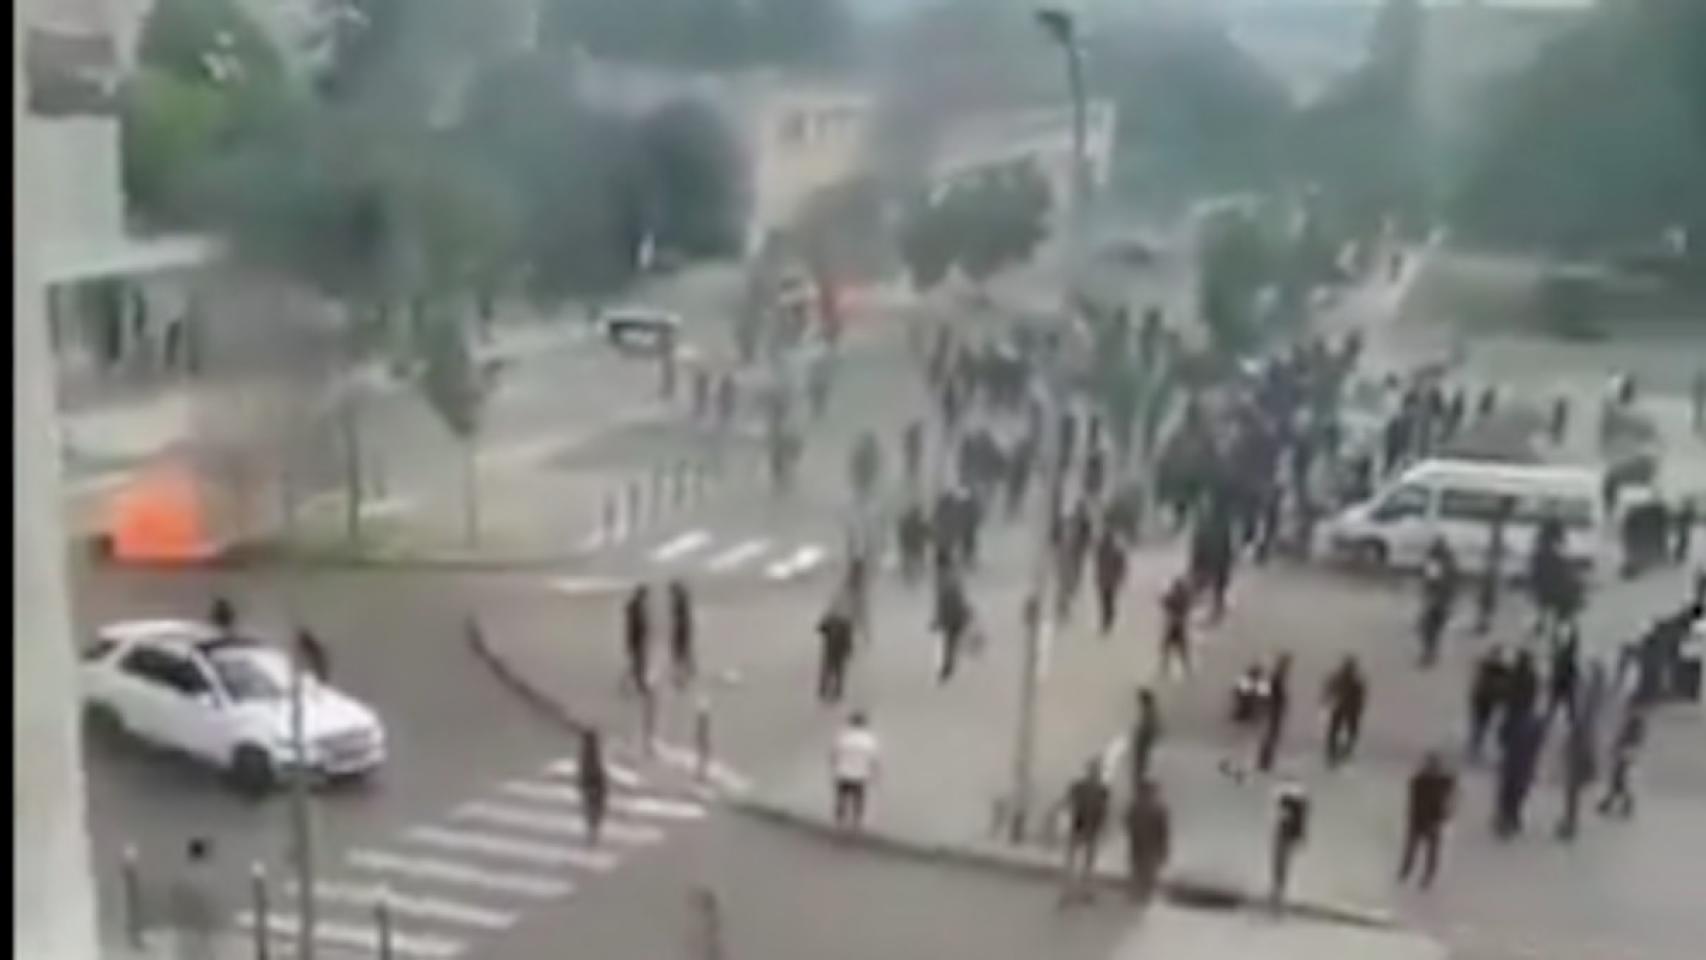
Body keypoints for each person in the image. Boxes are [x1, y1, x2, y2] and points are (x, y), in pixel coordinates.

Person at [1398, 753, 1456, 889]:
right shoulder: (1421, 782)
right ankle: (1408, 870)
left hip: (1430, 821)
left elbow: (1448, 801)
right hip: (1421, 819)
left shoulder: (1429, 782)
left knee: (1427, 850)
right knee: (1415, 848)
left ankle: (1423, 874)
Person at [1060, 759, 1111, 904]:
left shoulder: (1100, 789)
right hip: (1082, 825)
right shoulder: (1086, 788)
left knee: (1084, 861)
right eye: (1095, 770)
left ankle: (1078, 891)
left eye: (1098, 771)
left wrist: (1103, 826)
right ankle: (1074, 891)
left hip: (1087, 826)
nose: (1097, 773)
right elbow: (1068, 803)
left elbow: (1104, 810)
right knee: (1077, 861)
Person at [166, 837, 225, 960]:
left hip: (186, 927)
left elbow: (175, 899)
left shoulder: (182, 874)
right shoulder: (206, 876)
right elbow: (210, 903)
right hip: (198, 928)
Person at [1494, 711, 1542, 838]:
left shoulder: (1512, 718)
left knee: (1508, 791)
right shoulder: (1536, 722)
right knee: (1519, 791)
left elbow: (1502, 738)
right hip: (1526, 763)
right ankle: (1514, 817)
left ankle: (1506, 819)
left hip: (1512, 761)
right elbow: (1538, 745)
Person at [1123, 779, 1172, 904]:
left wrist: (1164, 848)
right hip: (1144, 844)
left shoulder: (1140, 807)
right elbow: (1164, 831)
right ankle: (1142, 895)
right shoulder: (1157, 809)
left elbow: (1163, 830)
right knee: (1143, 869)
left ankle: (1140, 894)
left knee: (1142, 869)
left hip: (1145, 844)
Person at [830, 712, 881, 831]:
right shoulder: (869, 740)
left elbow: (834, 755)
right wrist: (875, 774)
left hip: (843, 772)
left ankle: (839, 824)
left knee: (841, 798)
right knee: (858, 800)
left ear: (851, 723)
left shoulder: (843, 737)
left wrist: (834, 768)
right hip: (860, 774)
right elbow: (874, 760)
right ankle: (856, 825)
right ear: (864, 724)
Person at [1475, 499, 1515, 634]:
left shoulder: (1497, 523)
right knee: (1489, 595)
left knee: (1488, 595)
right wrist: (1503, 550)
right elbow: (1496, 543)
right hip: (1493, 563)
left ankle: (1483, 622)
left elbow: (1496, 542)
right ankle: (1483, 623)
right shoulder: (1498, 524)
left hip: (1492, 562)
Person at [1598, 705, 1645, 819]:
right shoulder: (1630, 717)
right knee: (1618, 777)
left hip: (1626, 751)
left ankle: (1615, 802)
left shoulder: (1633, 719)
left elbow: (1629, 736)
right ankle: (1610, 801)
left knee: (1618, 777)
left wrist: (1619, 746)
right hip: (1625, 750)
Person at [1418, 538, 1459, 667]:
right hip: (1443, 600)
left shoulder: (1435, 562)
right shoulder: (1450, 561)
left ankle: (1430, 653)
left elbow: (1432, 582)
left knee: (1429, 627)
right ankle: (1431, 652)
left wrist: (1431, 598)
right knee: (1432, 628)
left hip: (1438, 600)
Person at [1321, 655, 1367, 767]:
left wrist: (1326, 700)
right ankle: (1335, 754)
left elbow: (1360, 697)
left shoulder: (1352, 681)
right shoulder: (1349, 680)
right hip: (1343, 709)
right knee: (1338, 733)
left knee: (1342, 733)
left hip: (1345, 709)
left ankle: (1337, 753)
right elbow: (1328, 690)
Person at [1270, 780, 1309, 913]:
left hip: (1286, 832)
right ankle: (1279, 893)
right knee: (1281, 863)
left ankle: (1279, 893)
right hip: (1286, 832)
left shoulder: (1293, 806)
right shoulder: (1296, 804)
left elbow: (1297, 822)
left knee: (1281, 863)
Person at [1467, 646, 1509, 762]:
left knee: (1479, 725)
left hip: (1484, 700)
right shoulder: (1499, 670)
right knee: (1480, 725)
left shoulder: (1492, 668)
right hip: (1485, 700)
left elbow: (1479, 684)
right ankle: (1474, 748)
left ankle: (1474, 748)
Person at [932, 573, 971, 684]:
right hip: (953, 621)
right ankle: (947, 667)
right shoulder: (953, 587)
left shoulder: (944, 588)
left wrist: (938, 620)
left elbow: (943, 606)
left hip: (951, 621)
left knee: (948, 645)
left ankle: (946, 667)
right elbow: (959, 603)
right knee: (950, 645)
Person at [1257, 653, 1292, 773]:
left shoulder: (1277, 677)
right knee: (1271, 735)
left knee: (1271, 735)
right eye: (1286, 664)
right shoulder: (1276, 677)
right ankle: (1264, 762)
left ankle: (1265, 761)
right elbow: (1270, 694)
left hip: (1274, 710)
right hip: (1273, 710)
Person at [817, 602, 855, 704]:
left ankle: (829, 690)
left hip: (834, 650)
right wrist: (849, 650)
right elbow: (821, 629)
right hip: (833, 650)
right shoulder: (840, 623)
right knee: (833, 670)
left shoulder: (843, 624)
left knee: (833, 670)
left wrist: (849, 649)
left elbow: (820, 629)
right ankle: (830, 690)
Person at [1093, 529, 1129, 636]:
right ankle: (1107, 620)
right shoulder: (1103, 550)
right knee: (1106, 602)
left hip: (1108, 581)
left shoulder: (1110, 550)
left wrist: (1121, 577)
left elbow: (1121, 565)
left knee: (1107, 602)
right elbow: (1099, 565)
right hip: (1107, 581)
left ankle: (1107, 621)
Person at [1158, 576, 1194, 679]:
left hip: (1175, 625)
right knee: (1177, 647)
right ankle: (1184, 667)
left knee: (1172, 647)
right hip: (1177, 624)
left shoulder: (1178, 597)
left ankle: (1166, 666)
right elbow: (1164, 603)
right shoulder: (1182, 597)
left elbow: (1165, 603)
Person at [577, 728, 609, 845]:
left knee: (592, 804)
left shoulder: (587, 755)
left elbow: (586, 769)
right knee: (593, 804)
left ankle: (593, 828)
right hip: (593, 780)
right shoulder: (590, 755)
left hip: (592, 780)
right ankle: (593, 828)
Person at [1129, 687, 1163, 790]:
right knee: (1142, 760)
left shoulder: (1149, 711)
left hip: (1145, 737)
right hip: (1146, 737)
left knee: (1141, 760)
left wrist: (1140, 733)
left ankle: (1140, 781)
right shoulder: (1150, 710)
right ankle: (1140, 780)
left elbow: (1149, 726)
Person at [623, 585, 651, 696]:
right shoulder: (638, 607)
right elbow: (639, 625)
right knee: (640, 663)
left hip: (635, 639)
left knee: (638, 663)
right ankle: (640, 684)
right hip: (638, 639)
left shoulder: (634, 606)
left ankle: (637, 682)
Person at [668, 580, 695, 688]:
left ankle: (681, 678)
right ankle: (687, 672)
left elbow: (677, 617)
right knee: (682, 653)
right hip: (682, 631)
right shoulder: (682, 600)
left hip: (680, 632)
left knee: (679, 655)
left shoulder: (678, 601)